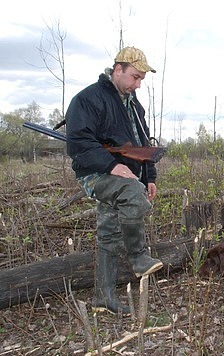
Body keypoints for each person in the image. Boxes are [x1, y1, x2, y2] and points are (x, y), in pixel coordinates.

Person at [65, 47, 163, 315]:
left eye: (142, 79)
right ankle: (138, 257)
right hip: (96, 174)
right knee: (133, 195)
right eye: (135, 77)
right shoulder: (88, 99)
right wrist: (112, 165)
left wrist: (150, 176)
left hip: (125, 175)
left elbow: (143, 145)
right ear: (117, 70)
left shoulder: (135, 105)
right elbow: (79, 143)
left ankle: (103, 298)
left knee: (109, 234)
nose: (138, 84)